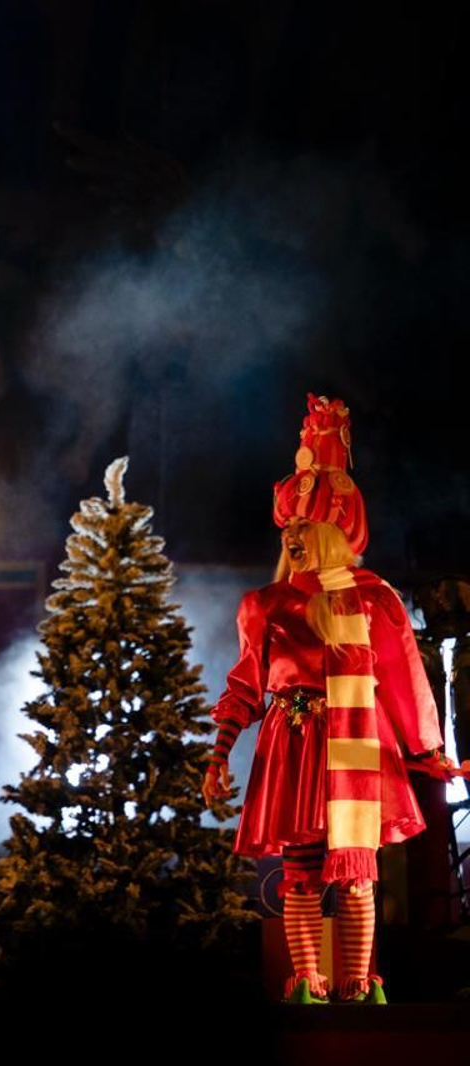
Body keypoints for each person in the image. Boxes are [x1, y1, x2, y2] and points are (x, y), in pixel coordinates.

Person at [203, 395, 452, 1004]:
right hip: (293, 745)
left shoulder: (373, 598)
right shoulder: (265, 605)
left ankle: (358, 985)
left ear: (333, 532)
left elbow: (405, 681)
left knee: (357, 872)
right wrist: (218, 754)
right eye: (288, 526)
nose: (292, 535)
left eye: (304, 526)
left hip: (356, 743)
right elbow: (245, 685)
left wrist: (430, 754)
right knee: (301, 873)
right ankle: (308, 984)